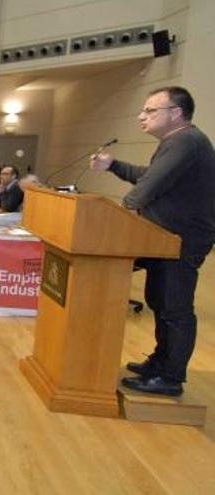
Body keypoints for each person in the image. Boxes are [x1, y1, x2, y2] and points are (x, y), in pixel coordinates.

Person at [90, 86, 215, 396]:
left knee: (175, 307)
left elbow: (147, 188)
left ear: (175, 114)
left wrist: (118, 215)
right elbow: (150, 175)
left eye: (150, 111)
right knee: (159, 299)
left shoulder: (186, 141)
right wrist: (114, 166)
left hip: (181, 241)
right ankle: (160, 362)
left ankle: (171, 377)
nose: (141, 116)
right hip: (163, 240)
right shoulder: (176, 142)